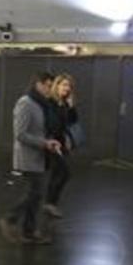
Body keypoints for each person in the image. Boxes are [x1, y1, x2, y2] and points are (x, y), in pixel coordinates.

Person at [0, 72, 60, 244]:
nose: (50, 89)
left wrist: (49, 142)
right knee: (35, 193)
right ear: (38, 84)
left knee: (36, 195)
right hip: (28, 158)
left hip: (41, 156)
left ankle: (29, 231)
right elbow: (20, 134)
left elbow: (42, 128)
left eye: (52, 86)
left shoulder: (43, 104)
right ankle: (11, 219)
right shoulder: (25, 103)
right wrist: (44, 143)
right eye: (48, 85)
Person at [44, 73, 79, 218]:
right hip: (52, 143)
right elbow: (50, 124)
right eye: (64, 85)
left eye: (69, 86)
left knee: (58, 173)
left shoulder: (64, 103)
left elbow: (72, 121)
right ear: (56, 85)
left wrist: (71, 107)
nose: (67, 88)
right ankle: (50, 203)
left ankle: (50, 203)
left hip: (62, 143)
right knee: (63, 172)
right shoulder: (50, 103)